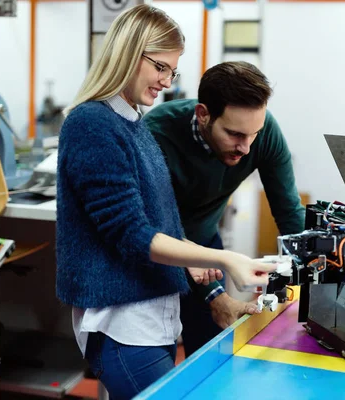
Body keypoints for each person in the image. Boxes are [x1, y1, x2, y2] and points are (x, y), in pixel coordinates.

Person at [55, 6, 275, 399]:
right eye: (160, 67)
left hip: (152, 320)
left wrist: (211, 286)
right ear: (128, 51)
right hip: (122, 325)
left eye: (172, 71)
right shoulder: (92, 124)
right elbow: (133, 235)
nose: (166, 81)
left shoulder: (134, 123)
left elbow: (161, 224)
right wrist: (225, 259)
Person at [143, 61, 305, 358]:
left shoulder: (264, 132)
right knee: (156, 351)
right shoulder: (157, 134)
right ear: (203, 115)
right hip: (158, 246)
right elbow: (156, 223)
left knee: (211, 349)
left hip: (206, 241)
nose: (245, 147)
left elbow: (289, 213)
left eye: (253, 134)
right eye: (234, 135)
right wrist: (215, 296)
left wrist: (312, 272)